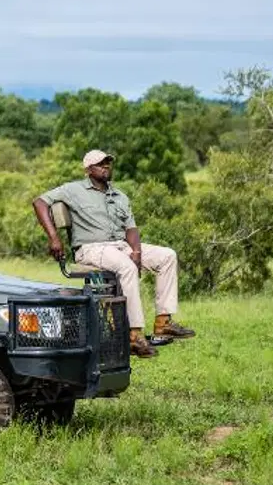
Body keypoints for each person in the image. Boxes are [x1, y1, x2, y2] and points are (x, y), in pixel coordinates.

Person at [32, 149, 197, 358]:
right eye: (101, 163)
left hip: (120, 246)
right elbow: (39, 202)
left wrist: (136, 251)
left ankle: (163, 322)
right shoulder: (73, 190)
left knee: (167, 256)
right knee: (126, 266)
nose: (106, 166)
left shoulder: (119, 196)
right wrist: (54, 237)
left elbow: (131, 229)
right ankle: (133, 334)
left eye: (108, 163)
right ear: (89, 169)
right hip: (91, 248)